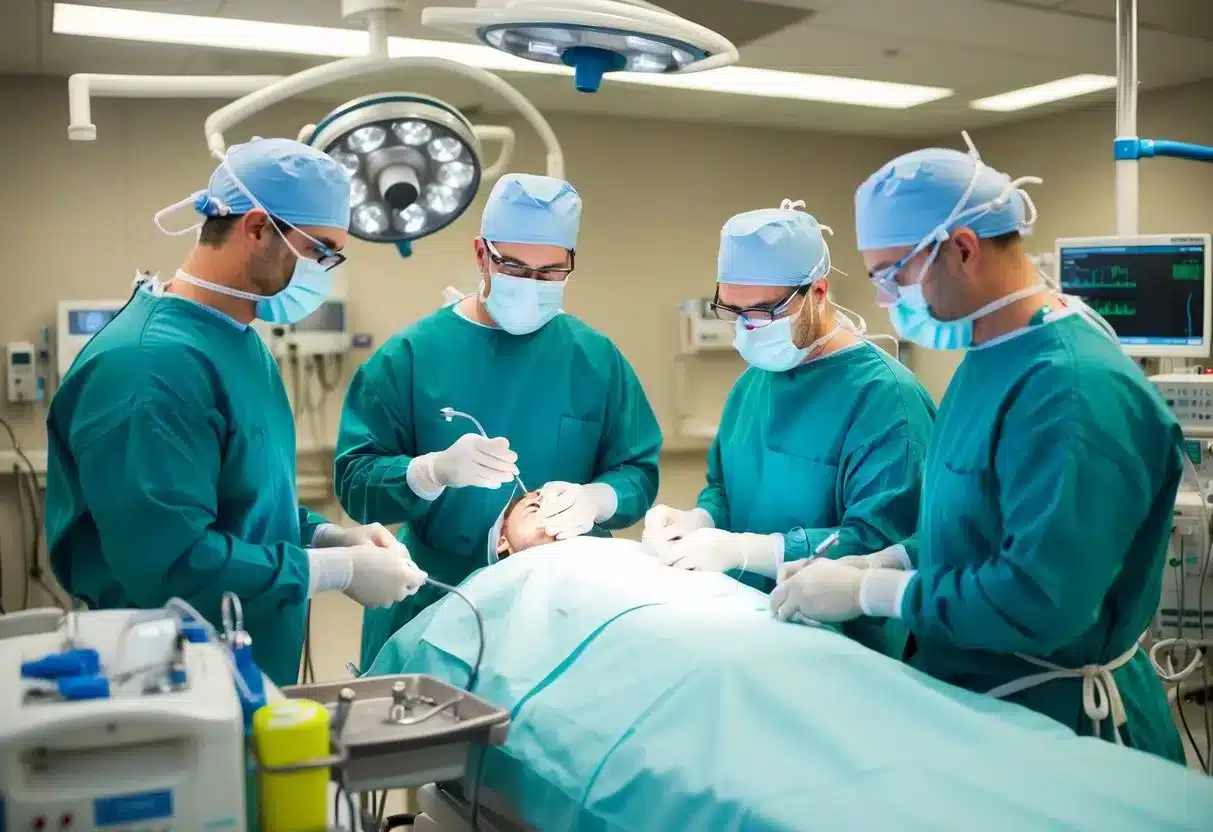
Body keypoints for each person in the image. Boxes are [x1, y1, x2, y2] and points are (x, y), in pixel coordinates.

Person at [770, 134, 1186, 762]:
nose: (882, 299)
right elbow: (974, 524)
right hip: (983, 704)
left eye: (891, 275)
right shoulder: (989, 355)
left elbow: (1041, 600)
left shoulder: (1072, 391)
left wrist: (873, 595)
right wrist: (885, 561)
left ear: (963, 249)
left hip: (1061, 729)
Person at [45, 138, 426, 687]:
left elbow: (247, 499)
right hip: (169, 678)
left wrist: (328, 537)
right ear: (256, 228)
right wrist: (335, 570)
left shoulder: (240, 341)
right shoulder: (147, 369)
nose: (324, 270)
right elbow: (169, 564)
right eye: (319, 250)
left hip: (244, 668)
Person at [334, 172, 662, 669]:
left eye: (550, 272)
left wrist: (597, 499)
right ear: (481, 255)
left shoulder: (595, 358)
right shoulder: (413, 355)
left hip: (564, 610)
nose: (532, 284)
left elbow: (637, 469)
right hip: (436, 603)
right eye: (514, 266)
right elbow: (356, 482)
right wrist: (427, 473)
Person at [642, 199, 936, 657]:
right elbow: (724, 487)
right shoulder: (752, 383)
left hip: (844, 653)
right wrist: (699, 520)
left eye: (764, 311)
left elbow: (880, 543)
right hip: (744, 626)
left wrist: (746, 551)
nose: (749, 327)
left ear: (818, 292)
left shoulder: (887, 400)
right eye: (733, 310)